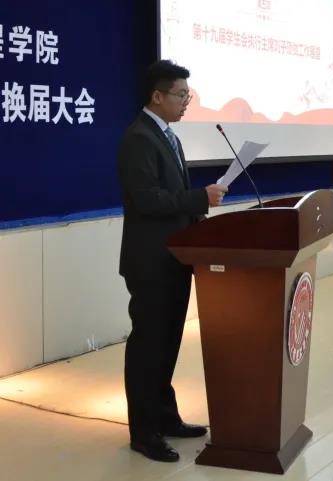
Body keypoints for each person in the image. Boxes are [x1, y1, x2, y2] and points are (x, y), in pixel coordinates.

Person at [117, 60, 228, 462]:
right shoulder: (138, 138)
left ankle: (165, 417)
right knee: (148, 346)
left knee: (167, 344)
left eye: (188, 95)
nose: (186, 102)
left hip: (175, 257)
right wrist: (200, 198)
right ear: (157, 96)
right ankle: (143, 432)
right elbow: (148, 201)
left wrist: (198, 221)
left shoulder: (168, 136)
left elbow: (172, 198)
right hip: (150, 262)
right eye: (181, 95)